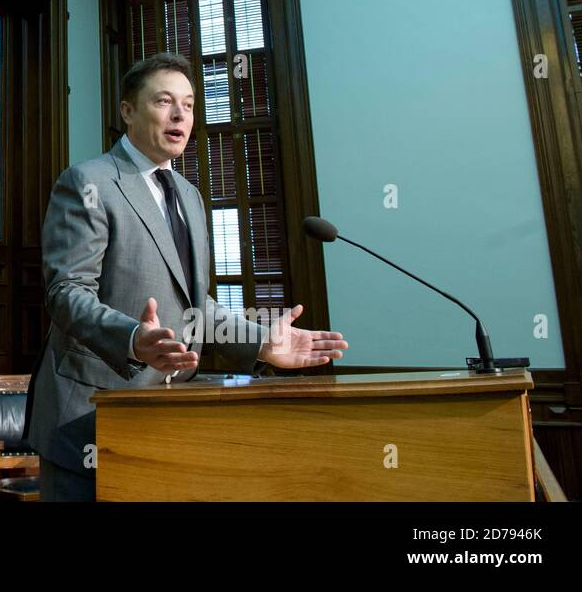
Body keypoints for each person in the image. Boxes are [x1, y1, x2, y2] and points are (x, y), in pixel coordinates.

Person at [25, 52, 348, 501]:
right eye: (163, 101)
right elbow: (66, 293)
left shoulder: (190, 196)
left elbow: (199, 307)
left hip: (166, 414)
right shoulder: (88, 181)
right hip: (89, 415)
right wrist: (132, 337)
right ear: (127, 111)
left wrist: (262, 342)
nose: (180, 114)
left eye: (190, 104)